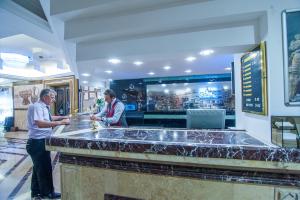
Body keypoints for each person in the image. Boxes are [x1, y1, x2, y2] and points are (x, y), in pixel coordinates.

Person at [26, 88, 70, 199]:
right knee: (45, 169)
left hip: (40, 142)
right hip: (37, 143)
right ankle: (48, 193)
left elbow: (49, 118)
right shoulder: (36, 106)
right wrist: (60, 122)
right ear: (45, 96)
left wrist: (63, 117)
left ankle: (35, 193)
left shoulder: (44, 107)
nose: (54, 100)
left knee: (38, 169)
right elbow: (40, 123)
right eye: (52, 97)